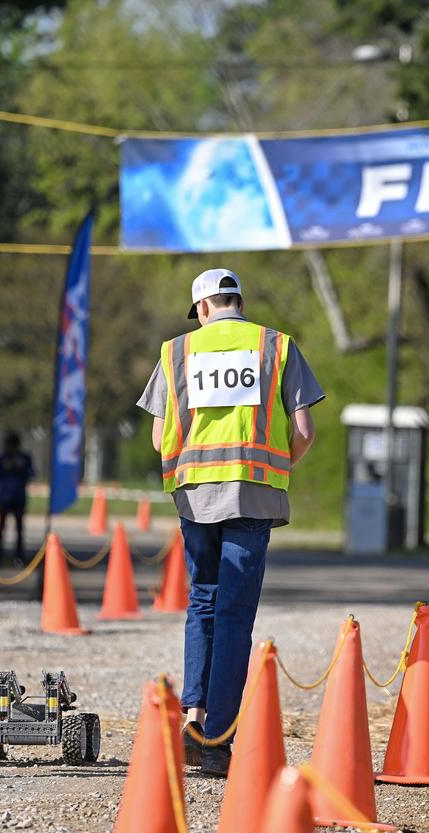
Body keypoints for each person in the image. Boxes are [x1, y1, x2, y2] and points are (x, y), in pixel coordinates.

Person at [137, 268, 323, 777]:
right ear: (238, 300)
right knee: (236, 612)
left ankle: (193, 719)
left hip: (195, 495)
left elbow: (158, 439)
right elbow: (304, 430)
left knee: (203, 600)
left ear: (202, 308)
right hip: (254, 494)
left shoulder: (176, 352)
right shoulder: (277, 346)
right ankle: (218, 739)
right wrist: (276, 466)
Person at [0, 431, 35, 563]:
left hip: (18, 498)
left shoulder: (25, 458)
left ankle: (19, 557)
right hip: (4, 498)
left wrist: (21, 467)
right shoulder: (1, 458)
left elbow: (32, 474)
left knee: (20, 530)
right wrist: (6, 468)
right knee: (1, 529)